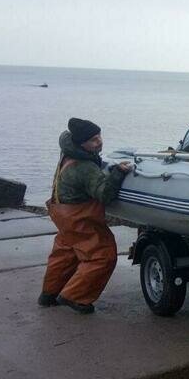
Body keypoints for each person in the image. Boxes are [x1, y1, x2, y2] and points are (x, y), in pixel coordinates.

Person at [38, 118, 133, 314]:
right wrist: (118, 173)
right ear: (82, 143)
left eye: (99, 136)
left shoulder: (68, 151)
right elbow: (105, 194)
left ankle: (49, 294)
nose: (99, 142)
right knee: (102, 256)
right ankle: (75, 297)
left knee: (65, 252)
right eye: (93, 140)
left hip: (61, 211)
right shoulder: (84, 167)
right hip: (79, 216)